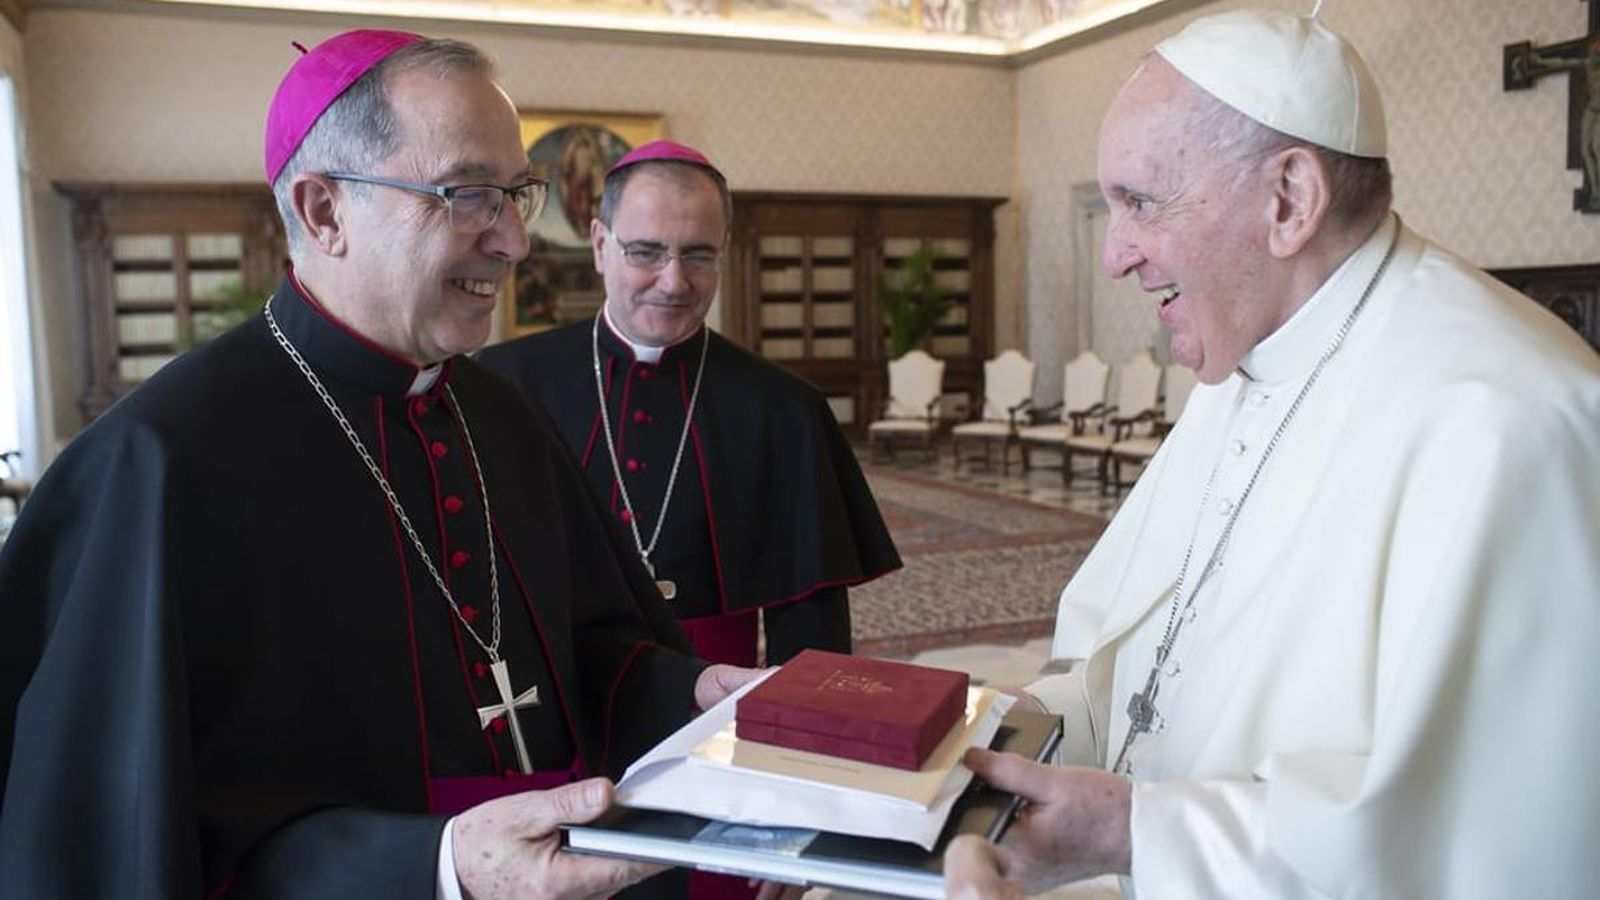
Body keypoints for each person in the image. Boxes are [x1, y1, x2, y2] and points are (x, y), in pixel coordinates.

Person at [0, 30, 761, 898]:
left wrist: (689, 689)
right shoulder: (159, 464)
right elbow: (125, 839)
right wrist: (436, 870)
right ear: (324, 212)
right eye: (470, 194)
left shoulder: (501, 415)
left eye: (517, 192)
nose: (514, 239)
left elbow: (589, 644)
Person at [946, 9, 1600, 898]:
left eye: (1139, 202)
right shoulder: (1258, 359)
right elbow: (1132, 662)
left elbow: (1484, 831)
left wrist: (1135, 829)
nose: (1113, 256)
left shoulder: (1508, 419)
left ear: (1288, 199)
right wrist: (991, 736)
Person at [478, 140, 901, 672]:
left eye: (698, 254)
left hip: (711, 707)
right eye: (646, 252)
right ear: (600, 245)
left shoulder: (784, 411)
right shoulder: (501, 383)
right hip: (551, 682)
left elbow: (811, 631)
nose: (674, 282)